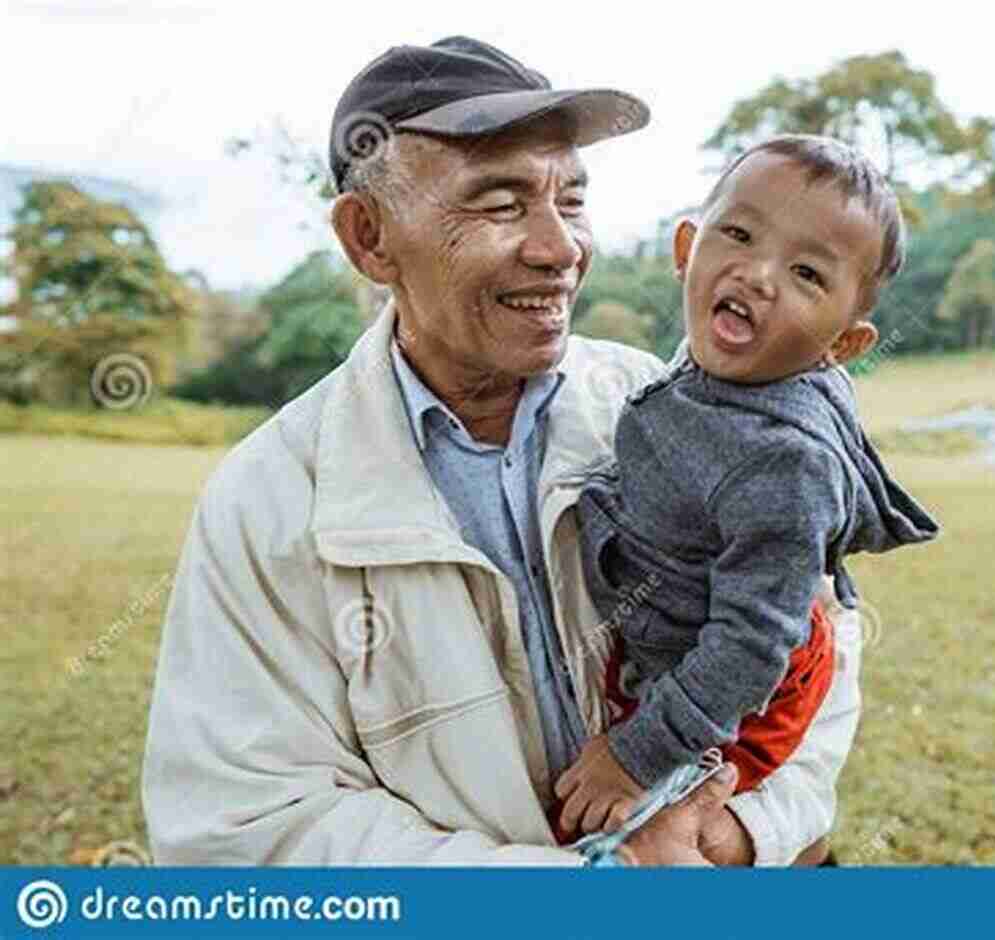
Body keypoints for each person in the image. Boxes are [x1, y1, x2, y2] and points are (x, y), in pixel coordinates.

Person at [141, 37, 865, 866]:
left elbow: (812, 644)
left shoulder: (672, 407)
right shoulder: (266, 502)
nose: (559, 249)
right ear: (371, 237)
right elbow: (247, 828)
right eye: (499, 203)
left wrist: (737, 834)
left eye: (573, 199)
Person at [554, 136, 939, 835]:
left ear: (843, 344)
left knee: (628, 831)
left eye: (807, 275)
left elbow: (752, 646)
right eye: (738, 234)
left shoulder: (785, 462)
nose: (759, 275)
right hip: (677, 648)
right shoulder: (715, 363)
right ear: (685, 250)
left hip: (746, 689)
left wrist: (637, 755)